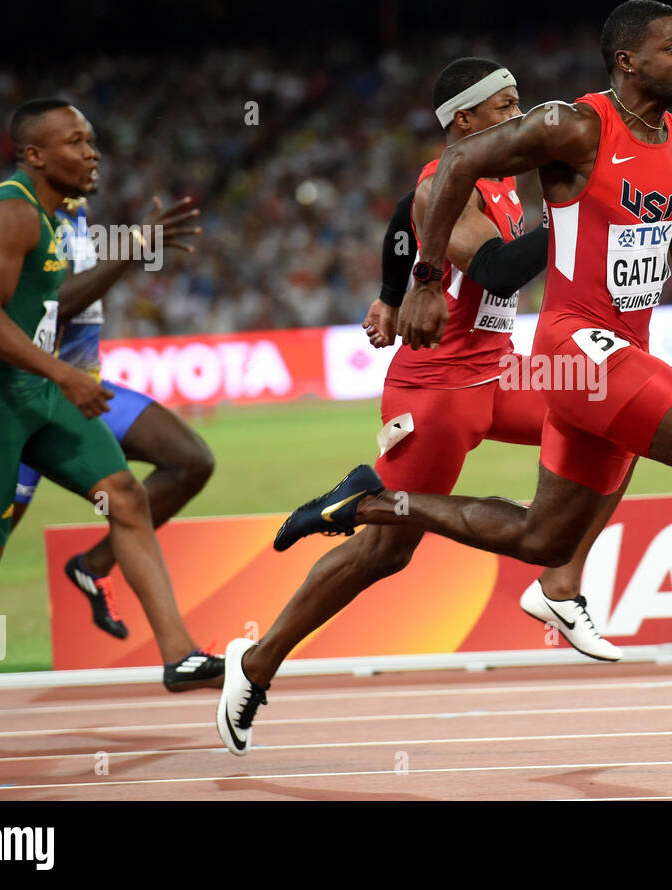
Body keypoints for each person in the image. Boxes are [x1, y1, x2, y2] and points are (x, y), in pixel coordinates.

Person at [254, 1, 672, 735]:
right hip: (576, 347)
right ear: (629, 62)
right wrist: (426, 281)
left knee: (543, 540)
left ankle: (372, 504)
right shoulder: (575, 126)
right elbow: (456, 166)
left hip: (616, 352)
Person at [218, 59, 630, 755]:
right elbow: (496, 267)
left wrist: (387, 289)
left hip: (501, 373)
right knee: (387, 553)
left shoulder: (495, 174)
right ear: (463, 121)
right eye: (505, 107)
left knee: (618, 414)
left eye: (520, 102)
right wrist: (580, 217)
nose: (520, 116)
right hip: (435, 389)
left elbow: (399, 225)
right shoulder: (446, 180)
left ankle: (559, 586)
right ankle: (256, 661)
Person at [0, 99, 221, 728]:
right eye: (76, 142)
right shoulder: (12, 213)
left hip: (45, 394)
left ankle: (179, 655)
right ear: (35, 155)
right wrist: (66, 373)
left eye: (92, 140)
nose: (92, 151)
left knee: (127, 497)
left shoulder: (60, 213)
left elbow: (48, 310)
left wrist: (64, 373)